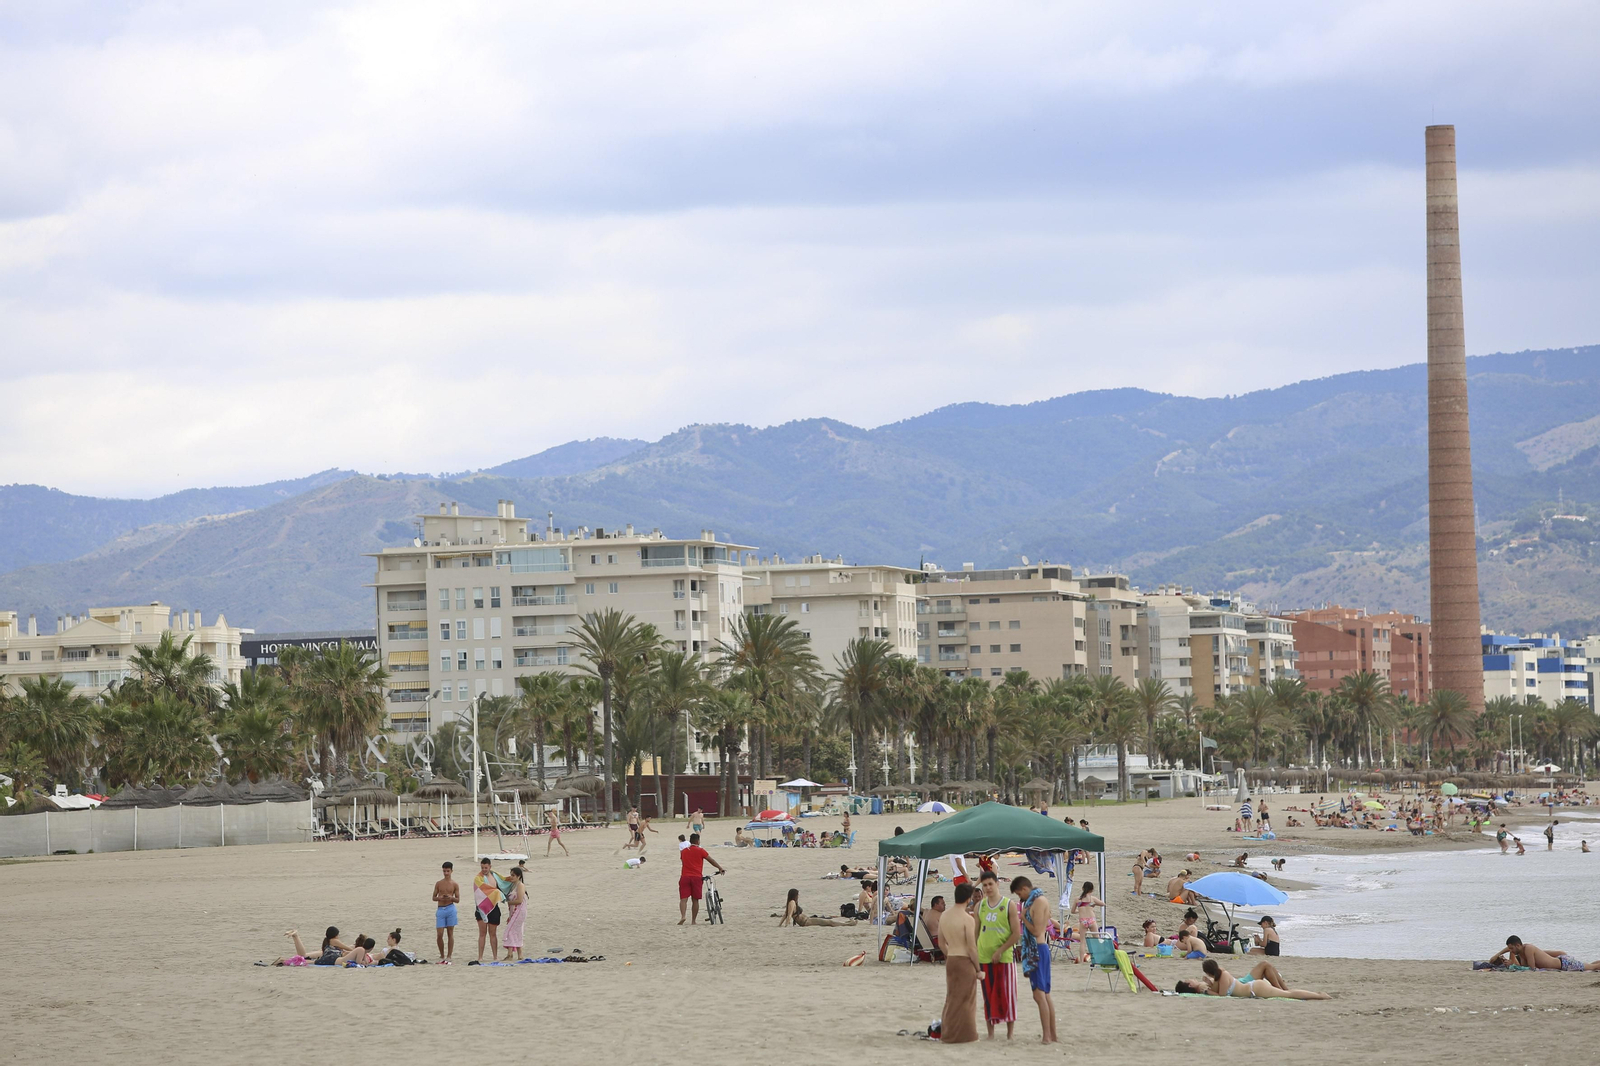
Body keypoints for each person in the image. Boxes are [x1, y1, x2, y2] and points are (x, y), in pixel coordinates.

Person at [1011, 876, 1056, 1044]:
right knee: (1045, 994)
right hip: (1041, 948)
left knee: (1039, 995)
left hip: (1037, 949)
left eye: (1018, 894)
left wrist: (1023, 918)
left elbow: (1037, 931)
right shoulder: (1041, 899)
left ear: (1024, 889)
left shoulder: (1037, 902)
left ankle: (1047, 1036)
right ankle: (1052, 1035)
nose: (1019, 898)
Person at [976, 870, 1020, 1040]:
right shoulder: (980, 906)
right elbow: (975, 933)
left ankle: (1010, 1035)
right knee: (988, 996)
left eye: (990, 884)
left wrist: (1000, 950)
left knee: (1007, 996)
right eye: (984, 885)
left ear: (997, 884)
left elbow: (1016, 933)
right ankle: (991, 1034)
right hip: (984, 958)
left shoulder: (1009, 904)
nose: (987, 888)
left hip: (1005, 958)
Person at [939, 882, 982, 1044]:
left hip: (951, 959)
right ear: (968, 898)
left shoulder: (945, 916)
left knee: (952, 997)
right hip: (964, 961)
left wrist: (949, 954)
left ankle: (948, 1033)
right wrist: (978, 968)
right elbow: (971, 947)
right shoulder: (967, 919)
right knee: (966, 999)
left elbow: (941, 943)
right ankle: (967, 1035)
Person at [1179, 958, 1329, 999]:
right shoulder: (1219, 976)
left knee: (1289, 995)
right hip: (1253, 987)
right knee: (1288, 994)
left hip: (1255, 988)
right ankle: (1318, 996)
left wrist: (1208, 991)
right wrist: (1209, 985)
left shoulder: (1222, 976)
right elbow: (1219, 990)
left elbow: (1222, 995)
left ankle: (1319, 996)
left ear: (1210, 973)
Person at [678, 832, 726, 925]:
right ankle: (693, 921)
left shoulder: (683, 851)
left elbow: (683, 861)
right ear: (698, 841)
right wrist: (720, 868)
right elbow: (711, 860)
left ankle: (683, 916)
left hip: (685, 876)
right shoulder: (700, 850)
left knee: (683, 899)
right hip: (696, 877)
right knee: (695, 900)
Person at [1491, 936, 1600, 971]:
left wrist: (1514, 965)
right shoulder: (1522, 953)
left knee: (1592, 967)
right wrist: (1512, 964)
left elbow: (1532, 968)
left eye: (1512, 948)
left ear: (1518, 945)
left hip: (1564, 963)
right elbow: (1525, 967)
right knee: (1589, 965)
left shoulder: (1528, 949)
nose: (1511, 951)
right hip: (1561, 962)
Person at [473, 857, 505, 963]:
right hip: (481, 908)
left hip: (494, 907)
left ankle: (495, 956)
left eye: (486, 868)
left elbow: (503, 882)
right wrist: (495, 892)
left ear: (490, 866)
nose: (484, 870)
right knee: (482, 933)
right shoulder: (478, 878)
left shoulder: (495, 875)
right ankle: (480, 956)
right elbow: (480, 891)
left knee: (493, 933)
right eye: (482, 868)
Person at [780, 888, 857, 927]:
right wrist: (786, 926)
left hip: (807, 920)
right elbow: (789, 915)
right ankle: (848, 924)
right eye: (798, 894)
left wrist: (779, 925)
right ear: (794, 895)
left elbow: (785, 915)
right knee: (830, 922)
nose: (798, 896)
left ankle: (846, 923)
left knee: (829, 922)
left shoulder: (790, 903)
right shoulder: (792, 902)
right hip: (807, 922)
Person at [433, 861, 460, 964]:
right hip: (441, 909)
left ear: (451, 871)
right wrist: (440, 897)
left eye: (448, 871)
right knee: (439, 934)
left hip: (450, 908)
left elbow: (458, 899)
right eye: (444, 871)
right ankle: (442, 955)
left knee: (450, 933)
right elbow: (433, 897)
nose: (446, 873)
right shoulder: (439, 883)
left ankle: (449, 955)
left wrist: (451, 898)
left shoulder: (454, 884)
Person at [501, 867, 527, 960]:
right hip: (513, 911)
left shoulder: (520, 885)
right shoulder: (513, 885)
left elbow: (519, 900)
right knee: (517, 931)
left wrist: (507, 902)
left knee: (511, 930)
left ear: (518, 876)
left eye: (513, 875)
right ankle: (520, 955)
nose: (511, 877)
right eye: (510, 875)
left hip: (520, 911)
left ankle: (510, 954)